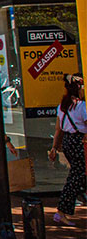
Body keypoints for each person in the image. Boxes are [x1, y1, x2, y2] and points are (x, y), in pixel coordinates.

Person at [49, 73, 85, 226]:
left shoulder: (63, 106)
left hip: (69, 142)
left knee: (77, 174)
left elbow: (58, 129)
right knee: (77, 176)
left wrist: (54, 147)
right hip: (80, 142)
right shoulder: (81, 106)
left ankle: (63, 210)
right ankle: (61, 210)